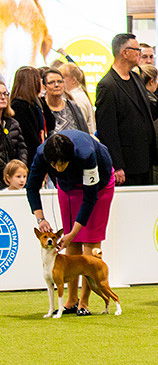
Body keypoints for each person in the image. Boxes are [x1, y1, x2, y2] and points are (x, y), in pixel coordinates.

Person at [27, 130, 115, 315]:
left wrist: (74, 232)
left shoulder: (86, 154)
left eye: (62, 164)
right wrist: (40, 218)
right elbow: (32, 187)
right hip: (68, 187)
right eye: (54, 165)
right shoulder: (41, 154)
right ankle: (71, 300)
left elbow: (90, 198)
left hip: (98, 188)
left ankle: (84, 303)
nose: (58, 169)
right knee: (70, 242)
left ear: (71, 157)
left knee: (90, 240)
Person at [95, 34, 158, 187]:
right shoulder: (107, 85)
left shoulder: (135, 78)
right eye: (137, 50)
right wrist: (117, 165)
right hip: (126, 165)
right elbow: (107, 130)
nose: (139, 54)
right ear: (125, 52)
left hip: (145, 159)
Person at [9, 66, 46, 162]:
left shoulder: (35, 105)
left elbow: (50, 123)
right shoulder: (19, 106)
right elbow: (29, 137)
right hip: (29, 158)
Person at [41, 67, 88, 135]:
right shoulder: (41, 110)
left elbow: (84, 133)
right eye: (51, 82)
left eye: (60, 82)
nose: (57, 85)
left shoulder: (73, 107)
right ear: (44, 87)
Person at [59, 62, 96, 134]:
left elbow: (79, 126)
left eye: (62, 78)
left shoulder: (77, 99)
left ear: (73, 80)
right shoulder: (78, 95)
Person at [0, 81, 28, 168]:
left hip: (15, 173)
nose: (3, 97)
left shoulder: (13, 123)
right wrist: (8, 170)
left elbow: (22, 149)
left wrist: (20, 167)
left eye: (5, 94)